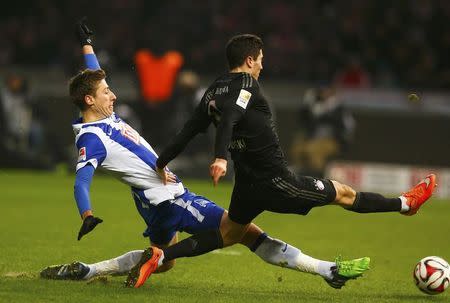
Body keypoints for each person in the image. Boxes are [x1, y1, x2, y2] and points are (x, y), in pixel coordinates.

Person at [40, 20, 371, 289]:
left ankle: (86, 270)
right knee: (247, 233)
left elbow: (94, 76)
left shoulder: (102, 115)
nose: (112, 94)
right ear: (89, 101)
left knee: (165, 260)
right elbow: (81, 180)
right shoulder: (91, 138)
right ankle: (327, 270)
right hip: (168, 198)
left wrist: (87, 45)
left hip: (152, 201)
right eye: (105, 92)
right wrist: (86, 213)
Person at [126, 34, 437, 288]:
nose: (262, 65)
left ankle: (160, 256)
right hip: (275, 181)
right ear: (249, 60)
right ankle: (405, 204)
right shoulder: (247, 85)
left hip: (245, 184)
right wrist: (220, 157)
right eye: (260, 60)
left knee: (231, 233)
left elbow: (187, 132)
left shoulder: (213, 90)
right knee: (343, 193)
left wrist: (161, 161)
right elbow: (231, 117)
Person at [290, 86, 355, 178]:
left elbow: (346, 128)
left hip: (332, 141)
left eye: (327, 91)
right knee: (298, 147)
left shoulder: (339, 108)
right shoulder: (316, 106)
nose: (324, 93)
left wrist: (328, 112)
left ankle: (318, 178)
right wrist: (307, 105)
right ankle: (299, 176)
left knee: (313, 150)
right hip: (314, 139)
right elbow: (303, 121)